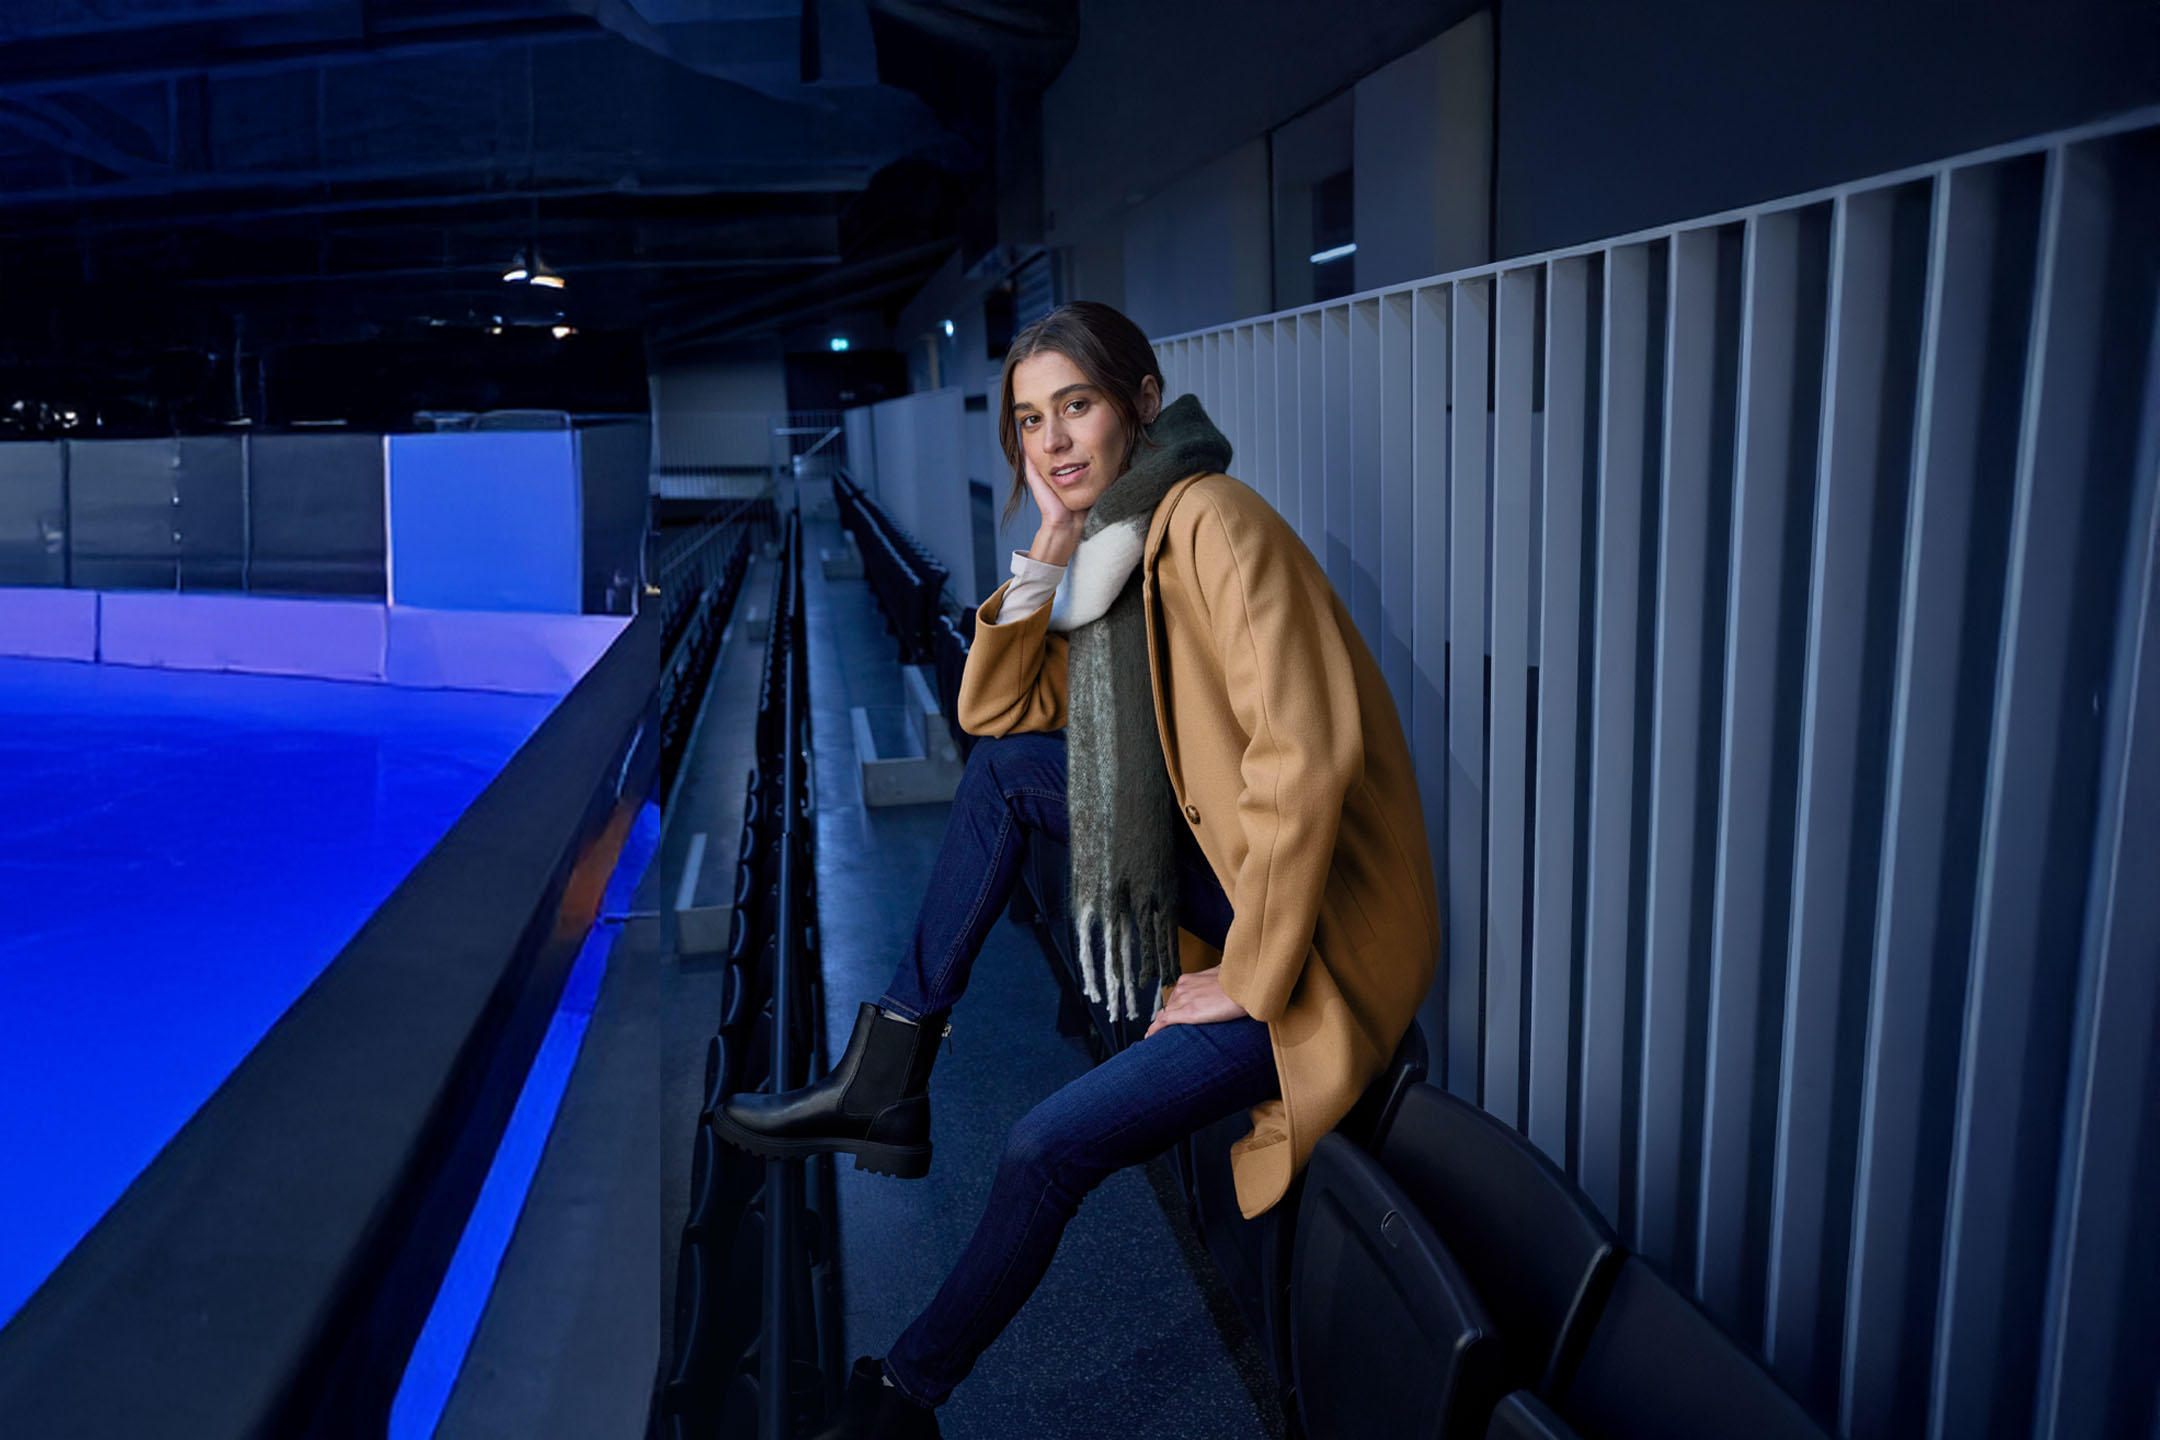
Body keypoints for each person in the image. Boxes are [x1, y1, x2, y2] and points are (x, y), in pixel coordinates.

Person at [714, 300, 1437, 1439]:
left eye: (1078, 405)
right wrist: (1046, 545)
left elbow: (1309, 755)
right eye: (1029, 420)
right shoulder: (1110, 549)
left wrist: (1247, 978)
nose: (1051, 440)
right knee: (1006, 777)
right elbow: (994, 712)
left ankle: (904, 1395)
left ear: (1143, 402)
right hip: (1238, 879)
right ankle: (890, 1071)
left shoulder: (1211, 523)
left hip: (1313, 952)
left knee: (1044, 1145)